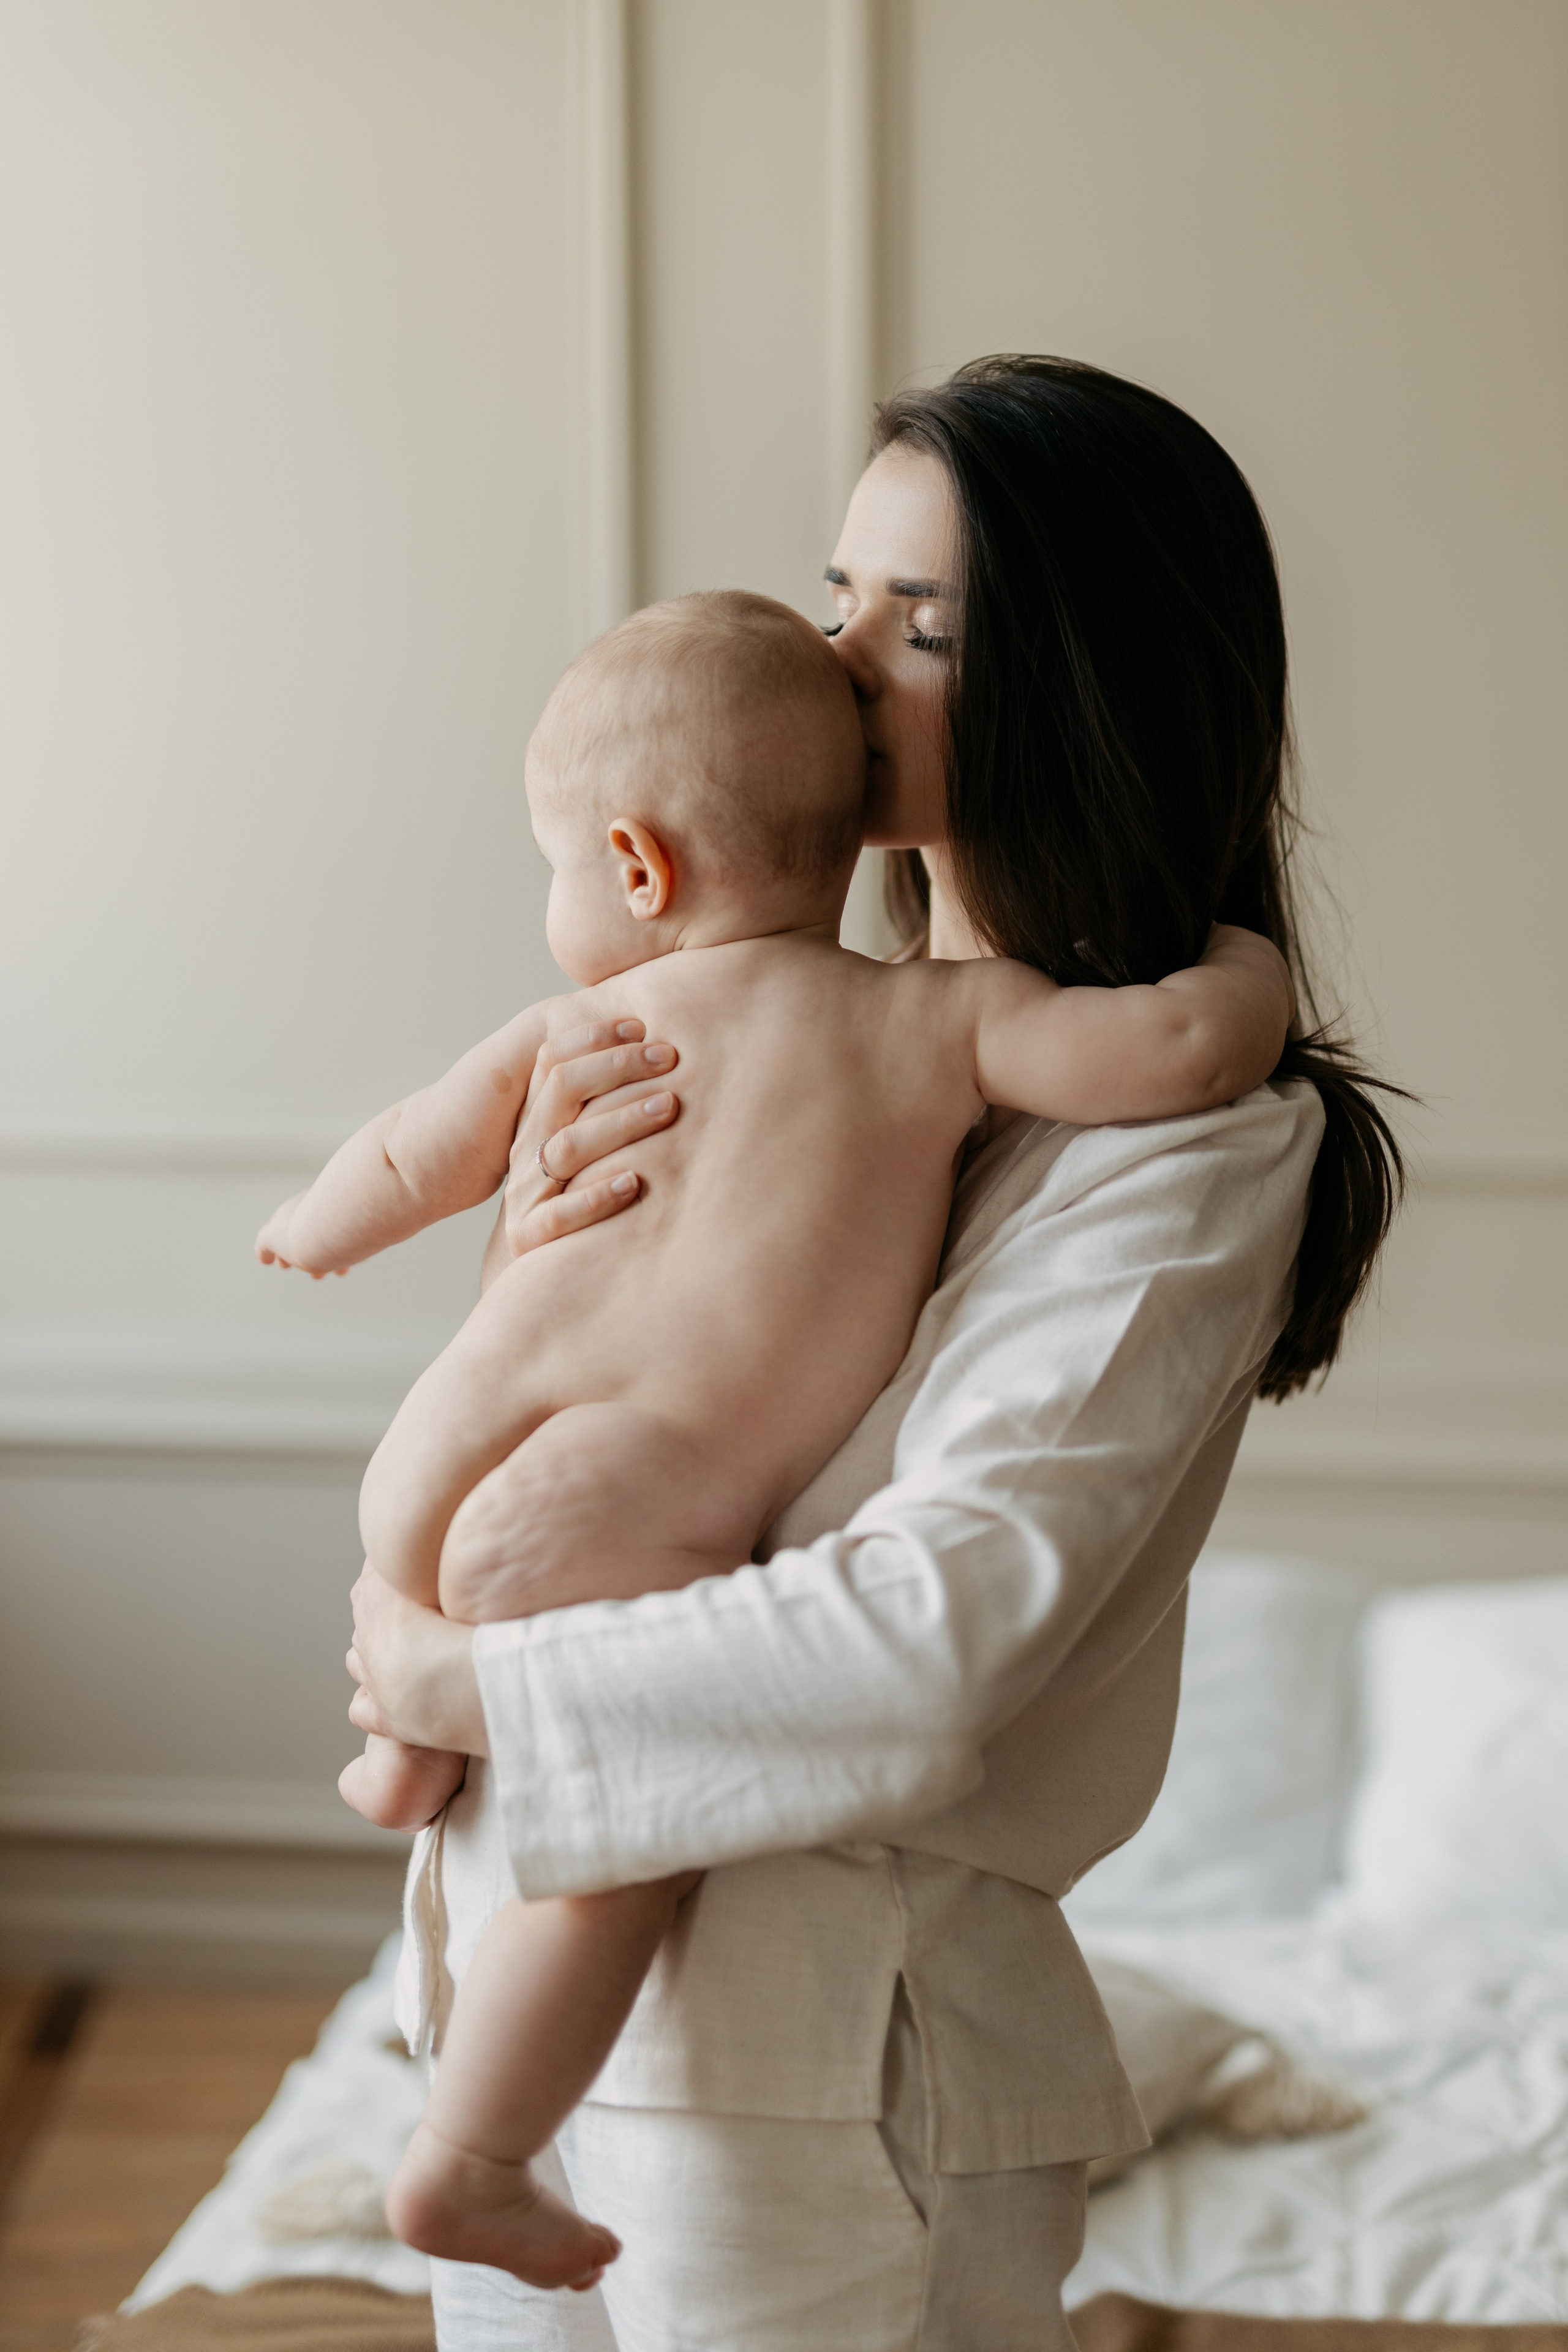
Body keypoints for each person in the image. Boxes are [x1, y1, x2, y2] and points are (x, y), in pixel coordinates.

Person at [343, 356, 1403, 2351]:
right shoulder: (803, 1044)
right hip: (535, 1992)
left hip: (822, 2075)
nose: (834, 664)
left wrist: (456, 1673)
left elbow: (932, 1639)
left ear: (1084, 689)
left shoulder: (1178, 1141)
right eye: (839, 597)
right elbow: (612, 1433)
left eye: (918, 628)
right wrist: (534, 1256)